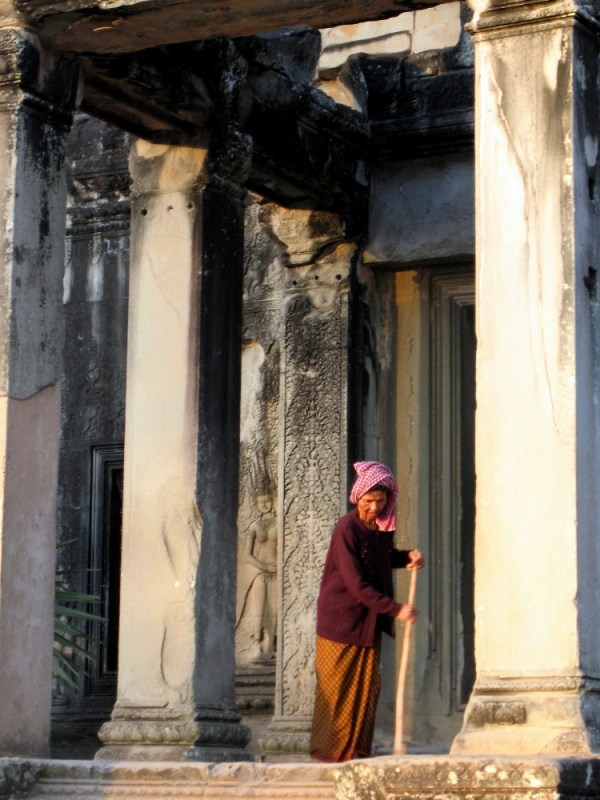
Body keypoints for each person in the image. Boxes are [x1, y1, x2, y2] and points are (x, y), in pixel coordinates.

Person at [310, 460, 424, 762]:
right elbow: (356, 583)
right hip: (341, 621)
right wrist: (396, 609)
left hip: (368, 622)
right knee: (338, 690)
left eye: (380, 500)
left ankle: (356, 752)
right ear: (357, 498)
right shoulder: (346, 530)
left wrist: (406, 557)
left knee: (367, 687)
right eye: (368, 501)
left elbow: (381, 558)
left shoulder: (380, 528)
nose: (374, 507)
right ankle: (332, 756)